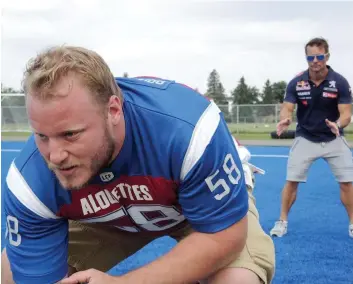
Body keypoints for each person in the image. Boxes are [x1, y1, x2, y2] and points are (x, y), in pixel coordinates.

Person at [1, 45, 275, 284]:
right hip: (107, 211)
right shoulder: (30, 180)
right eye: (42, 136)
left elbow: (222, 236)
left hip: (193, 204)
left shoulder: (187, 132)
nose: (55, 155)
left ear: (113, 111)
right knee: (9, 273)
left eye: (70, 134)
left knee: (236, 280)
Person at [270, 37, 353, 238]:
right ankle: (282, 221)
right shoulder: (296, 82)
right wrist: (285, 119)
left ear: (327, 56)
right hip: (305, 137)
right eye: (311, 57)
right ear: (306, 58)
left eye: (319, 56)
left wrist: (338, 125)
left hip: (333, 138)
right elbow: (287, 107)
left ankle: (352, 223)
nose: (315, 61)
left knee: (347, 182)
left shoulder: (339, 82)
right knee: (291, 181)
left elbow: (346, 114)